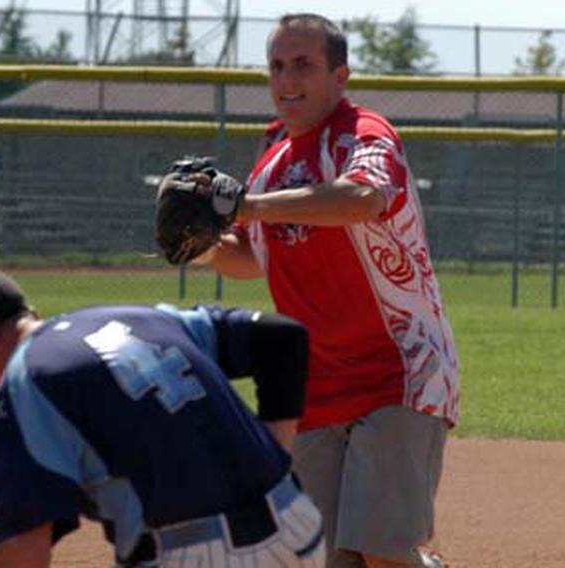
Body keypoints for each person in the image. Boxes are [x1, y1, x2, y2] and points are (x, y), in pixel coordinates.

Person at [206, 13, 460, 568]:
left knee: (383, 552)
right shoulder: (273, 164)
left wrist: (247, 206)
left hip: (398, 368)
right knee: (320, 558)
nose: (286, 79)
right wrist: (198, 245)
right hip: (318, 382)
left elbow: (360, 199)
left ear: (339, 75)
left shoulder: (364, 134)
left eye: (303, 64)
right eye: (276, 66)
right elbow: (254, 259)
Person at [0, 268, 325, 568]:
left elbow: (24, 553)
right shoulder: (142, 317)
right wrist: (276, 451)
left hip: (191, 555)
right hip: (298, 529)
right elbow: (281, 335)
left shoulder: (21, 389)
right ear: (30, 313)